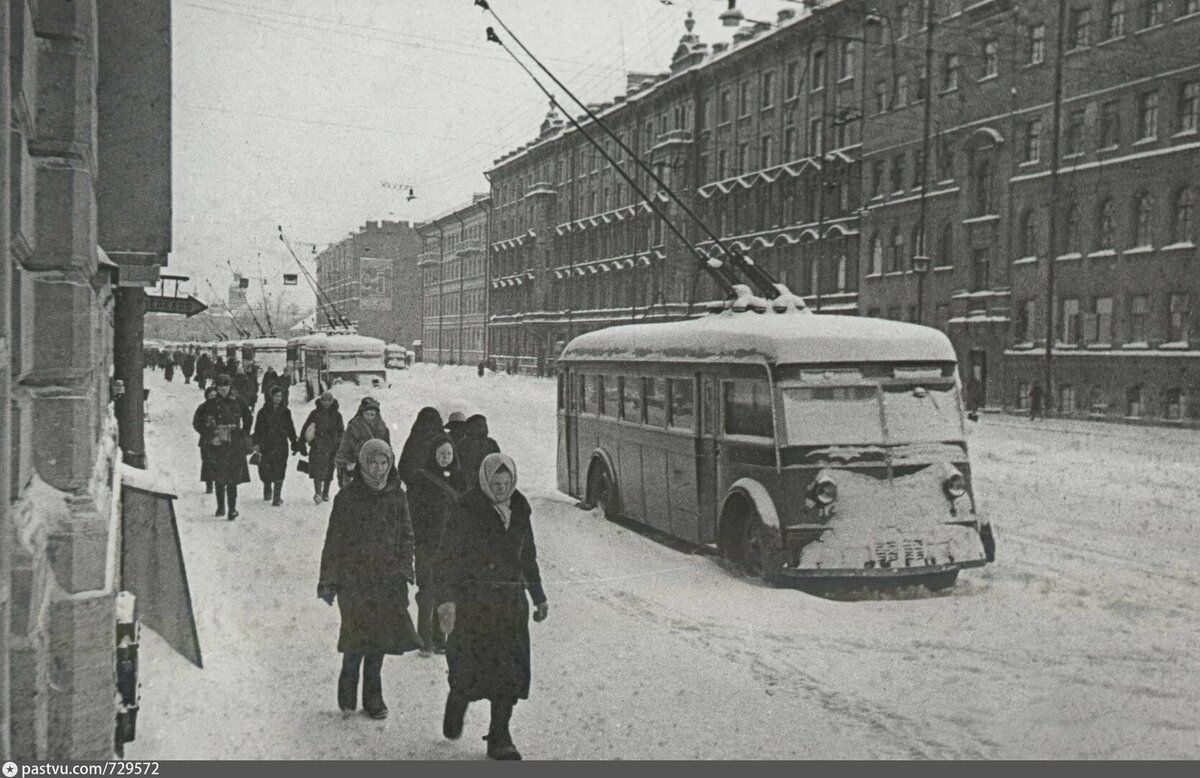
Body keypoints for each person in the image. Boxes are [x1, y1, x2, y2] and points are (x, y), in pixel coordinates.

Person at [434, 453, 548, 761]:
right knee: (469, 668)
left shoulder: (520, 509)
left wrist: (538, 597)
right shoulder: (465, 510)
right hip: (473, 606)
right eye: (495, 483)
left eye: (506, 482)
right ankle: (457, 699)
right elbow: (446, 558)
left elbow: (528, 558)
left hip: (510, 607)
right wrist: (446, 600)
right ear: (485, 482)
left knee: (509, 672)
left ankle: (500, 734)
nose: (500, 488)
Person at [317, 439, 421, 720]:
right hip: (354, 581)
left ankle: (373, 697)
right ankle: (348, 688)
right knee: (355, 637)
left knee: (378, 642)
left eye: (383, 463)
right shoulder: (347, 497)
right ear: (363, 463)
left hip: (387, 581)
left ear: (390, 464)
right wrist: (328, 579)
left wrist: (404, 570)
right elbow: (334, 541)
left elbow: (407, 536)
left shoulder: (397, 496)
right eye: (373, 463)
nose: (378, 469)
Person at [406, 435, 462, 655]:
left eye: (448, 454)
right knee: (427, 591)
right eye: (440, 454)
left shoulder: (459, 479)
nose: (445, 458)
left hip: (450, 547)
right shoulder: (422, 479)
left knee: (446, 592)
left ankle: (441, 639)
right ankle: (425, 640)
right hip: (426, 544)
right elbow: (412, 511)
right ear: (433, 454)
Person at [197, 374, 252, 519]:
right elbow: (198, 422)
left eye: (225, 386)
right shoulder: (210, 404)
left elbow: (248, 417)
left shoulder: (238, 401)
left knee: (232, 478)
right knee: (219, 477)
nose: (223, 389)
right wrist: (210, 436)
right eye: (220, 386)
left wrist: (244, 433)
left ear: (230, 387)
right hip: (217, 445)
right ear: (216, 387)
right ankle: (220, 507)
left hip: (234, 444)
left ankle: (232, 509)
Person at [252, 384, 298, 506]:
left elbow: (290, 428)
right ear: (270, 396)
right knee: (266, 469)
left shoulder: (285, 412)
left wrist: (294, 442)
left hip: (281, 444)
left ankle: (277, 497)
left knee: (280, 468)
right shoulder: (263, 412)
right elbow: (258, 429)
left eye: (280, 396)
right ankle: (267, 486)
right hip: (266, 445)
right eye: (276, 396)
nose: (278, 398)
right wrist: (256, 443)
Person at [300, 391, 345, 504]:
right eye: (323, 400)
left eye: (328, 400)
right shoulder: (314, 413)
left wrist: (339, 443)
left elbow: (341, 431)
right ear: (320, 401)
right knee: (317, 470)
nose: (326, 403)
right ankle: (318, 493)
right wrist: (301, 443)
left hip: (332, 446)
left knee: (329, 470)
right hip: (317, 445)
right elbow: (306, 427)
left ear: (332, 401)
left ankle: (326, 492)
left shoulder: (337, 415)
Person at [334, 397, 390, 487]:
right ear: (361, 413)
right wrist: (345, 466)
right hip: (356, 468)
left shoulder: (382, 430)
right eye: (367, 414)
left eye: (372, 414)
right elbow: (344, 449)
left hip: (376, 470)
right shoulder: (353, 428)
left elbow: (388, 451)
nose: (369, 417)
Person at [397, 406, 444, 488]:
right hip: (437, 488)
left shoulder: (414, 439)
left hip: (416, 488)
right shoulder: (442, 439)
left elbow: (403, 469)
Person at [456, 414, 500, 487]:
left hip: (483, 482)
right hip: (475, 483)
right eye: (479, 425)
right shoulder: (463, 444)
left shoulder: (491, 443)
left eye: (484, 425)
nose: (483, 428)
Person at [192, 386, 220, 494]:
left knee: (220, 462)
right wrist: (205, 432)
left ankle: (220, 483)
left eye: (214, 395)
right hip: (206, 439)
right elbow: (196, 423)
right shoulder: (202, 408)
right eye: (210, 395)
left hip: (220, 438)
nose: (213, 398)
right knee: (207, 462)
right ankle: (209, 485)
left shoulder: (222, 407)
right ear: (207, 397)